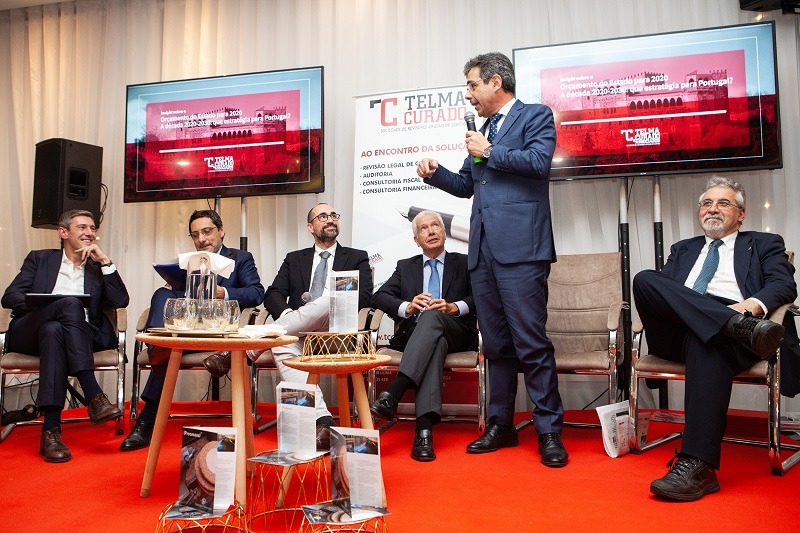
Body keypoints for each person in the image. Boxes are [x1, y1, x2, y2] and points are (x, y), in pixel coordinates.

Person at [416, 52, 567, 467]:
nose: (468, 95)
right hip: (483, 252)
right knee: (496, 345)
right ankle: (501, 425)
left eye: (472, 85)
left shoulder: (534, 116)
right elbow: (467, 184)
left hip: (522, 249)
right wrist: (434, 173)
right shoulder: (483, 131)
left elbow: (538, 163)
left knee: (531, 343)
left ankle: (549, 431)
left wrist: (491, 149)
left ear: (495, 82)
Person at [633, 175, 798, 501]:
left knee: (706, 340)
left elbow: (783, 285)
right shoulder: (682, 249)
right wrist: (729, 321)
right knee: (644, 279)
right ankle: (730, 324)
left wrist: (750, 307)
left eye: (723, 203)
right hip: (684, 332)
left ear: (741, 213)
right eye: (707, 203)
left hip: (739, 333)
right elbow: (665, 296)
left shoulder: (764, 243)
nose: (712, 209)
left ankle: (698, 466)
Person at [120, 210, 264, 451]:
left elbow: (257, 292)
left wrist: (224, 293)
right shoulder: (187, 261)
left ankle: (147, 416)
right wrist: (174, 285)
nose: (201, 239)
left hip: (217, 331)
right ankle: (161, 347)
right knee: (161, 293)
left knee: (169, 349)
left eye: (207, 232)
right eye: (195, 235)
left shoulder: (240, 258)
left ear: (221, 231)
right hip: (185, 329)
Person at [2, 209, 128, 462]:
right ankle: (93, 392)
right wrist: (50, 305)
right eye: (82, 227)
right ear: (63, 232)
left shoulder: (97, 267)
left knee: (54, 331)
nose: (89, 233)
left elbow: (120, 301)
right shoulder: (40, 259)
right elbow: (10, 297)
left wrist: (105, 262)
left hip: (78, 336)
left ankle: (50, 431)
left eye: (92, 228)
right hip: (30, 332)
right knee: (67, 305)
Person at [262, 202, 373, 450]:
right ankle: (323, 422)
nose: (330, 219)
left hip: (336, 330)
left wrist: (332, 302)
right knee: (281, 344)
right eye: (322, 216)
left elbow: (365, 296)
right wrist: (290, 315)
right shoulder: (294, 258)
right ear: (310, 227)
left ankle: (252, 346)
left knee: (327, 299)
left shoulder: (356, 256)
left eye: (333, 215)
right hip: (299, 332)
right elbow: (273, 294)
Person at [369, 210, 478, 461]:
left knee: (432, 317)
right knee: (435, 342)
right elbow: (379, 296)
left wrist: (455, 306)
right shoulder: (405, 266)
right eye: (423, 228)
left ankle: (394, 392)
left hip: (458, 332)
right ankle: (424, 432)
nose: (431, 231)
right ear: (416, 240)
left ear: (445, 233)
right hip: (418, 337)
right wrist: (406, 306)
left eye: (435, 226)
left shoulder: (464, 262)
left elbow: (483, 296)